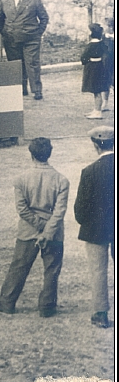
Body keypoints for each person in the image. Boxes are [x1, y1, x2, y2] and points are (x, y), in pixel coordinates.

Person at [0, 138, 69, 318]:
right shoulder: (61, 180)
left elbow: (22, 209)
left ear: (31, 154)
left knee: (19, 266)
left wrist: (39, 226)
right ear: (49, 154)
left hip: (28, 231)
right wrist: (47, 230)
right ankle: (47, 306)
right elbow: (60, 212)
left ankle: (7, 302)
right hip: (54, 233)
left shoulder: (21, 179)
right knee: (52, 269)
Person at [75, 127, 115, 328]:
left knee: (98, 271)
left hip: (96, 229)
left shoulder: (89, 172)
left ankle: (101, 313)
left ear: (96, 145)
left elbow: (80, 210)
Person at [0, 0, 49, 100]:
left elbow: (44, 18)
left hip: (31, 39)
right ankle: (21, 89)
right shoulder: (5, 2)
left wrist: (38, 33)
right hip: (12, 40)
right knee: (17, 65)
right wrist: (4, 33)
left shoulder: (34, 1)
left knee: (32, 64)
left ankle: (37, 90)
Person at [81, 23, 114, 119]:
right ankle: (96, 109)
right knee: (97, 90)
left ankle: (98, 111)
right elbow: (107, 54)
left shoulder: (90, 45)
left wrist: (86, 62)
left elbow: (83, 57)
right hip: (100, 67)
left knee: (96, 91)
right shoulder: (102, 44)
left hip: (92, 69)